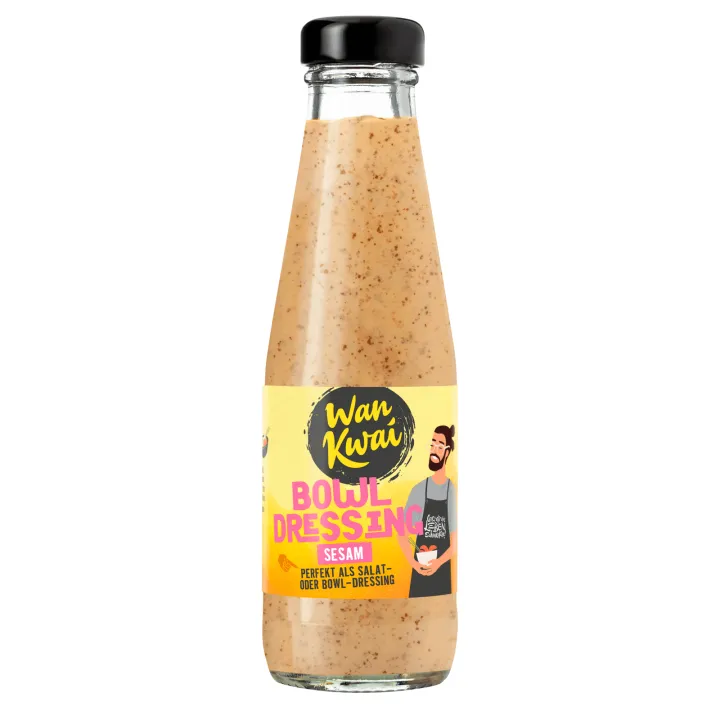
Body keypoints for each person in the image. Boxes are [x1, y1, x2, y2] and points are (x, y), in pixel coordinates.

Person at [399, 425, 457, 597]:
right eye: (432, 445)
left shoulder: (452, 491)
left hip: (443, 573)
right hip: (420, 573)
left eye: (439, 446)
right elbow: (402, 533)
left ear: (447, 452)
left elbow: (455, 543)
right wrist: (414, 563)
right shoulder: (419, 490)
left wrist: (438, 563)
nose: (434, 450)